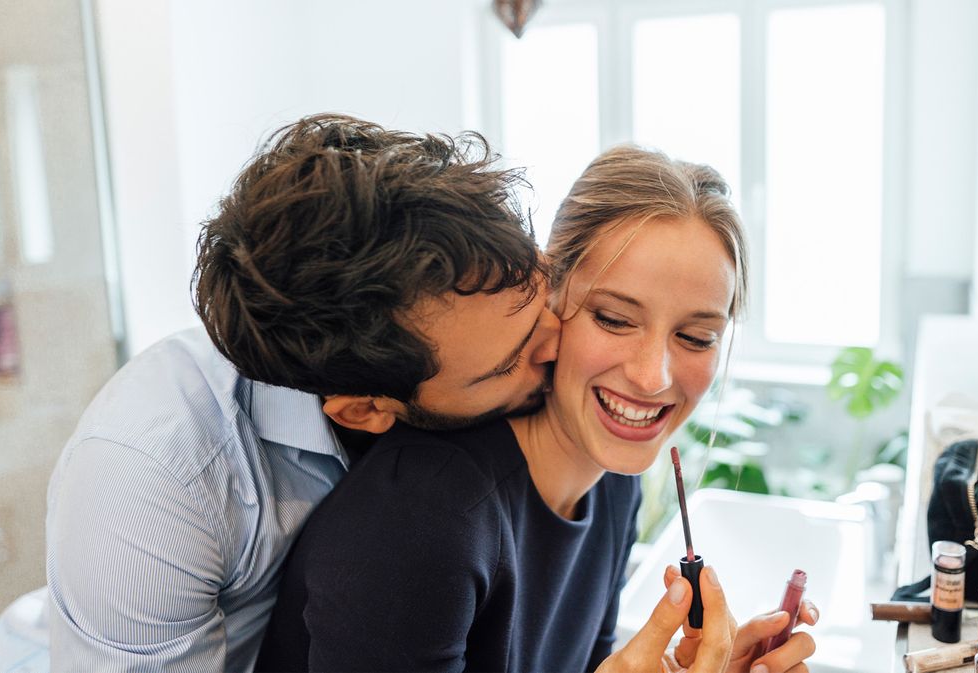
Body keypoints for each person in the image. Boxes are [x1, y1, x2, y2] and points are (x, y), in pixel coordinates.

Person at [46, 116, 708, 672]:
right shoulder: (149, 476)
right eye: (513, 359)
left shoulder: (442, 294)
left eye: (541, 294)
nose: (558, 342)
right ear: (366, 410)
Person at [254, 146, 819, 673]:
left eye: (696, 337)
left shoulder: (613, 485)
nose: (654, 377)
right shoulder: (425, 515)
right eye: (614, 319)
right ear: (547, 293)